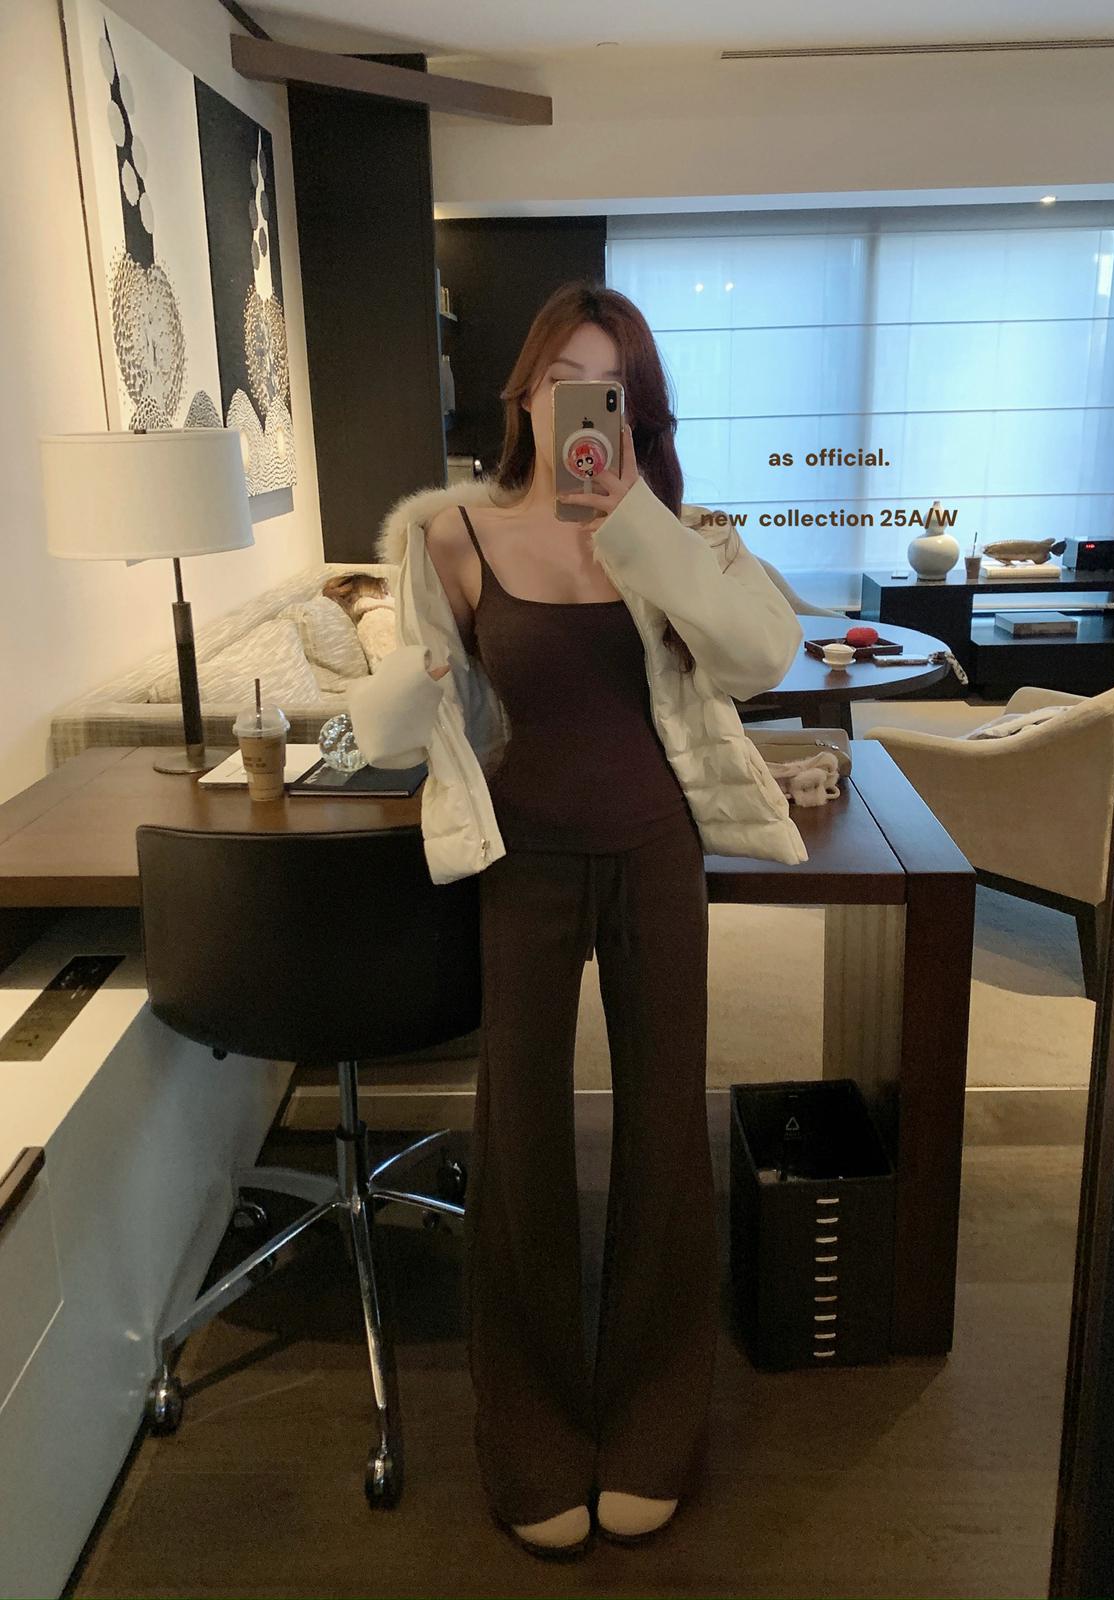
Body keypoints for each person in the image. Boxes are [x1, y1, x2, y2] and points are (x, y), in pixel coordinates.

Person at [344, 281, 807, 1559]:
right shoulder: (452, 535)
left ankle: (655, 1419)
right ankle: (533, 1427)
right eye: (559, 380)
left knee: (665, 1132)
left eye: (606, 384)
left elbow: (764, 657)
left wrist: (634, 524)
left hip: (656, 851)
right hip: (525, 859)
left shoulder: (680, 537)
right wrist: (406, 679)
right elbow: (396, 731)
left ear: (636, 408)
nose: (577, 407)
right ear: (525, 395)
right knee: (522, 1141)